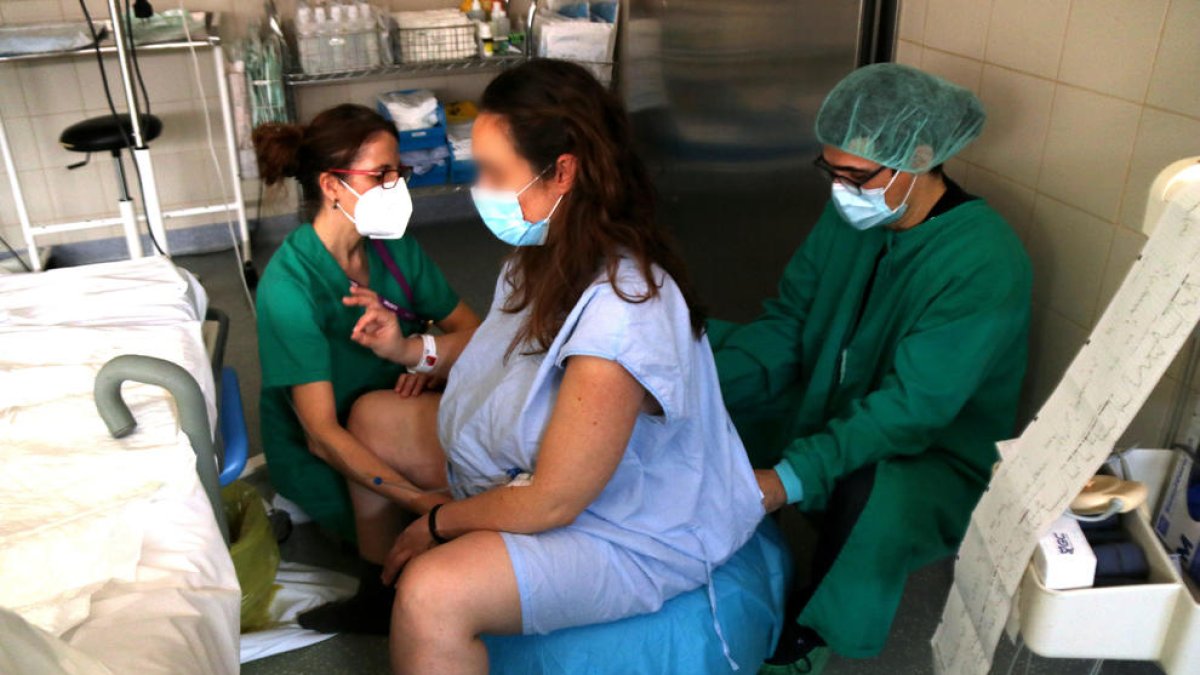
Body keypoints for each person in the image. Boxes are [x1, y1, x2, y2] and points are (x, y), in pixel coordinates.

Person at [344, 59, 766, 674]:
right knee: (374, 418)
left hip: (625, 523)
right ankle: (380, 591)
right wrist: (415, 353)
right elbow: (502, 343)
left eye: (492, 172)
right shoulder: (545, 248)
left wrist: (437, 523)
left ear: (562, 170)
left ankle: (413, 609)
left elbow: (551, 503)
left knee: (432, 594)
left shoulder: (624, 311)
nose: (480, 190)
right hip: (540, 461)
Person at [707, 63, 1033, 673]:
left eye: (855, 176)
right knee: (704, 384)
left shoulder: (983, 261)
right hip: (834, 396)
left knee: (868, 492)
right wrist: (701, 383)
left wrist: (785, 479)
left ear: (921, 156)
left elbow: (910, 413)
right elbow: (790, 323)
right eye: (830, 172)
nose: (839, 190)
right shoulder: (854, 215)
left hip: (928, 453)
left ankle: (808, 638)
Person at [252, 104, 481, 633]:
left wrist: (421, 354)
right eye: (381, 175)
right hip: (328, 451)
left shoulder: (393, 249)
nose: (396, 185)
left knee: (481, 472)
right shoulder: (289, 288)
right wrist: (422, 501)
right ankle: (378, 587)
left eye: (397, 172)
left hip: (396, 406)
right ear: (332, 185)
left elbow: (475, 335)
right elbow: (322, 433)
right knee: (458, 508)